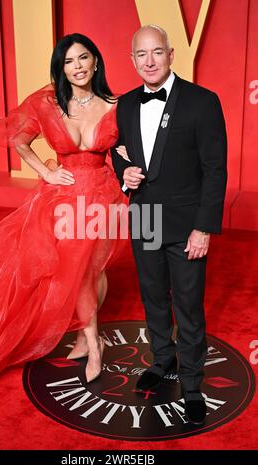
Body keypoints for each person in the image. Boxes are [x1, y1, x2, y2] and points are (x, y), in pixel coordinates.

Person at [0, 33, 125, 389]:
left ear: (96, 61)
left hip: (102, 195)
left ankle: (82, 336)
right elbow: (17, 137)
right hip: (63, 197)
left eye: (83, 59)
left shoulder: (115, 104)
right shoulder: (49, 102)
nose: (77, 67)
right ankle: (94, 344)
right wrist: (46, 170)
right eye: (68, 61)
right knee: (78, 271)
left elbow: (127, 149)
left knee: (94, 268)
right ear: (60, 68)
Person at [112, 25, 227, 425]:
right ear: (132, 59)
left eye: (156, 52)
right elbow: (118, 152)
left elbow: (215, 171)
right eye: (141, 54)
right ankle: (163, 360)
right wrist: (123, 171)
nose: (149, 61)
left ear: (171, 54)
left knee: (189, 306)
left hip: (186, 224)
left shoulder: (202, 101)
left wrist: (203, 228)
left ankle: (193, 383)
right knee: (154, 297)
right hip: (144, 215)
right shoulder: (125, 104)